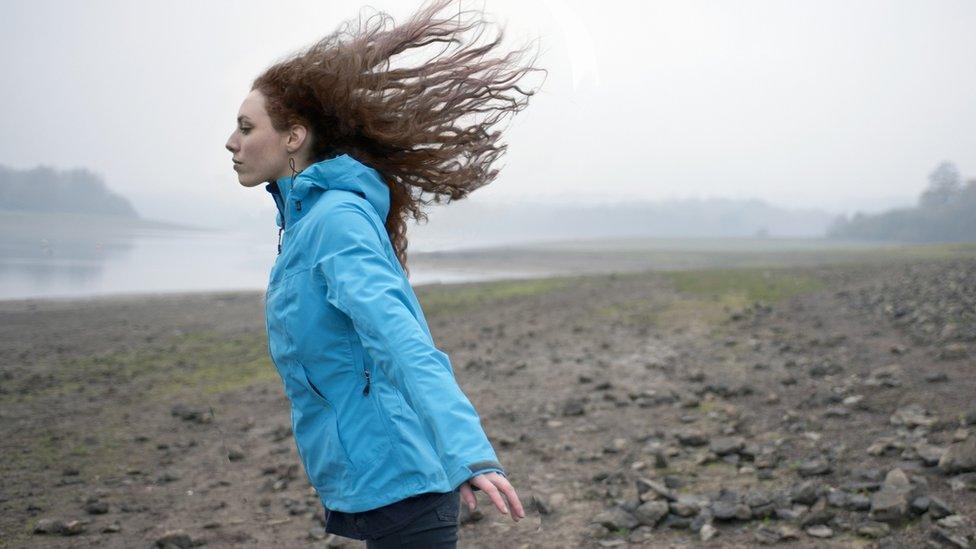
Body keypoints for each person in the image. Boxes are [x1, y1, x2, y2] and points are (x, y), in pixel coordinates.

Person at [224, 0, 544, 546]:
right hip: (379, 480)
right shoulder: (304, 225)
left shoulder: (335, 221)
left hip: (406, 485)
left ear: (294, 136)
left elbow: (401, 339)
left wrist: (468, 451)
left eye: (246, 127)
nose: (232, 142)